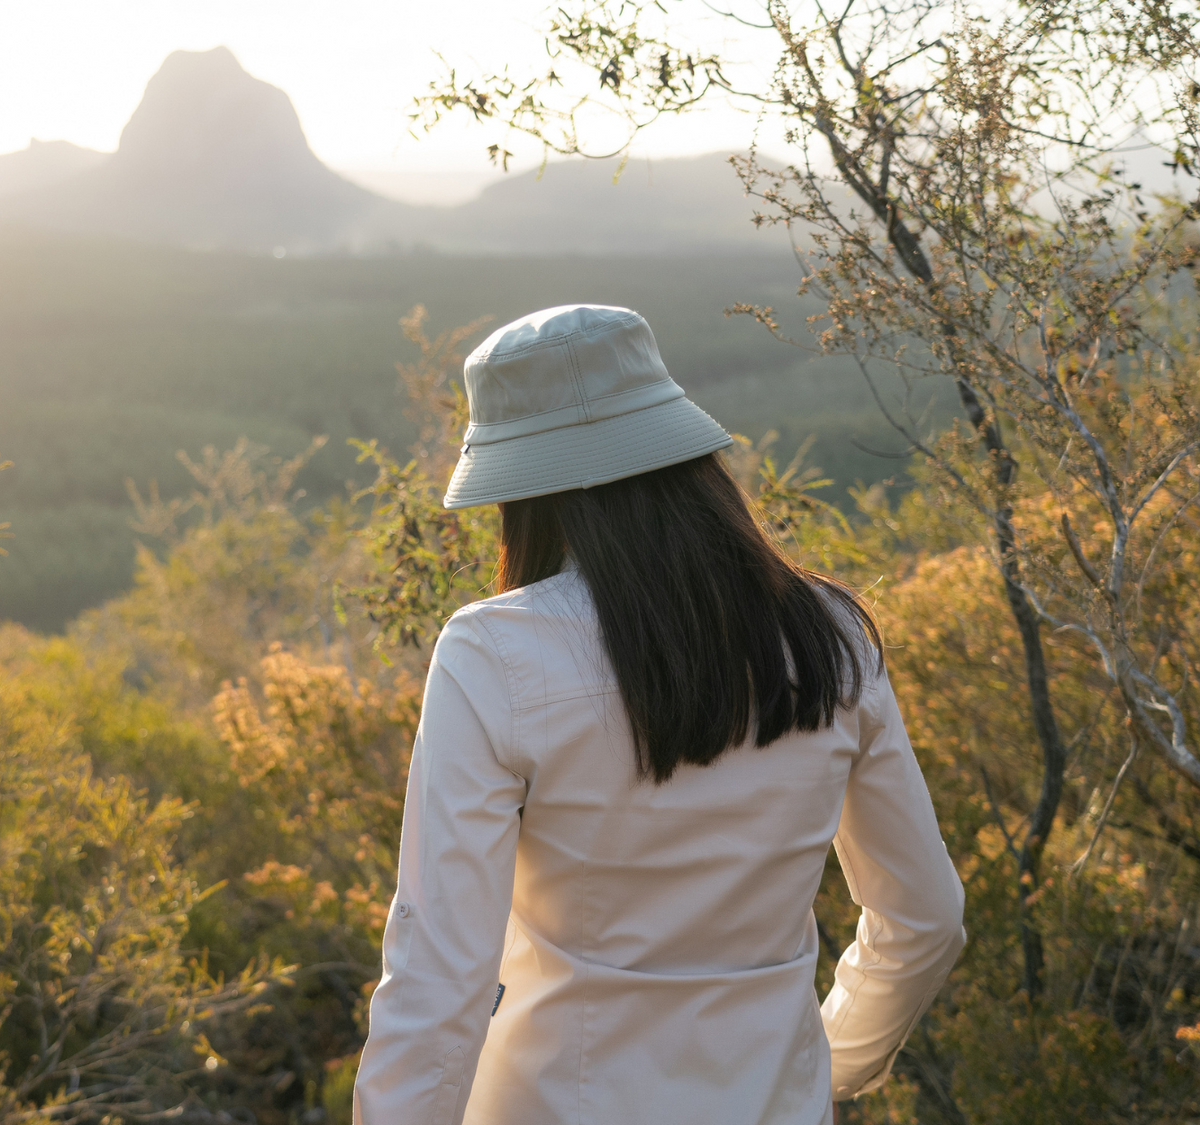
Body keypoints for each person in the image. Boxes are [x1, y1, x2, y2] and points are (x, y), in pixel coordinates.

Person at [351, 305, 965, 1125]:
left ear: (521, 490)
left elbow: (439, 972)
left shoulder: (493, 653)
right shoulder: (832, 636)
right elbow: (924, 916)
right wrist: (829, 1064)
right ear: (683, 449)